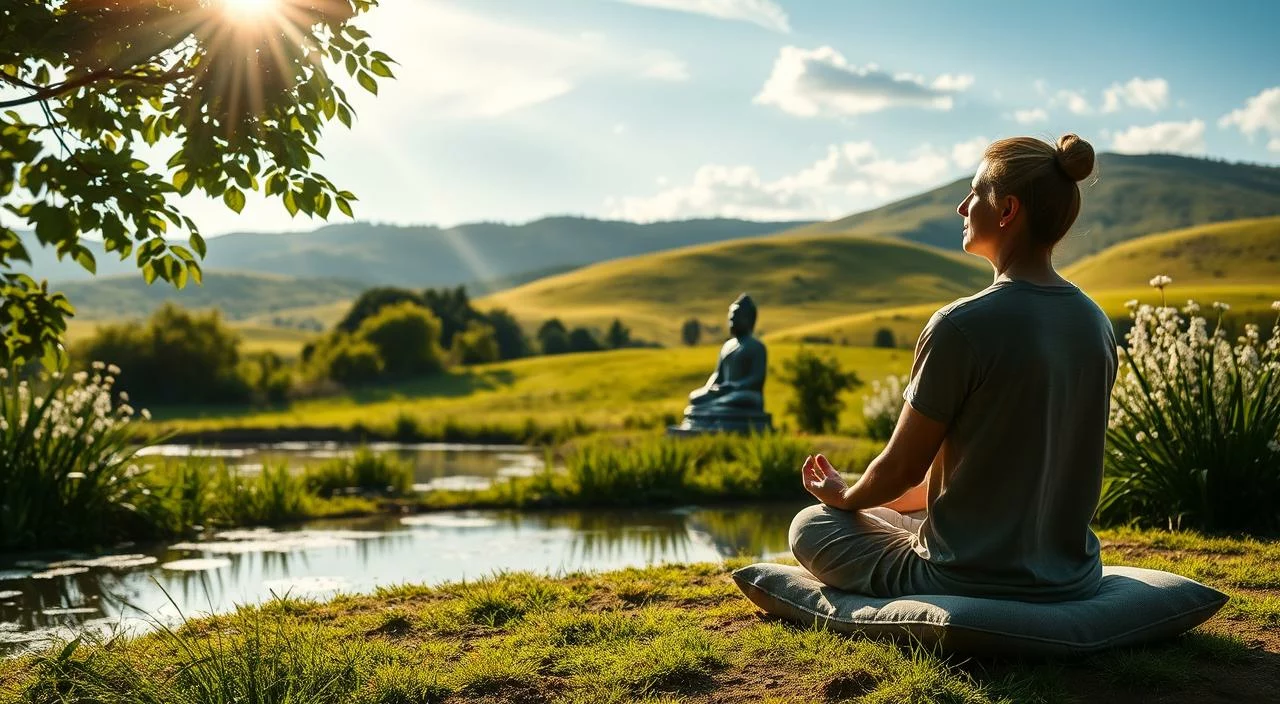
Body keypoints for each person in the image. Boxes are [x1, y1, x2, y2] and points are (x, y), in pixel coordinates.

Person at [790, 133, 1117, 603]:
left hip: (963, 577)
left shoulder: (960, 326)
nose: (962, 208)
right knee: (885, 511)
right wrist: (866, 492)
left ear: (1006, 210)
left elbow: (901, 468)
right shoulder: (1095, 324)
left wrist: (843, 497)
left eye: (974, 193)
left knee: (813, 524)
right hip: (1070, 575)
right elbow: (998, 468)